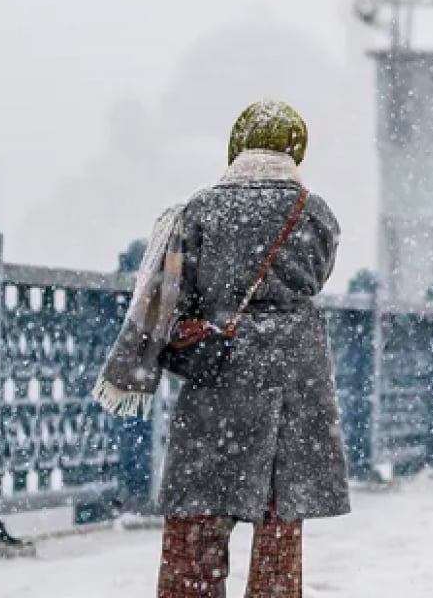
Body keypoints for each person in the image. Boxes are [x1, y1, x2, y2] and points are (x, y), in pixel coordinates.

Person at [94, 100, 349, 597]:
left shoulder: (201, 209)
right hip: (292, 376)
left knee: (199, 514)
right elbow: (318, 276)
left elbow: (175, 294)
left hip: (221, 373)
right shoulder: (314, 211)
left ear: (237, 145)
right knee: (278, 520)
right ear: (295, 148)